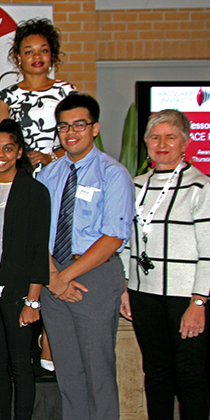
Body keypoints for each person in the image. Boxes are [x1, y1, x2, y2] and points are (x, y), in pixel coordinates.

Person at [37, 94, 134, 420]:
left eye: (79, 125)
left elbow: (113, 237)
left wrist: (63, 278)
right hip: (53, 276)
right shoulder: (48, 174)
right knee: (68, 373)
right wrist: (53, 277)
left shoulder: (113, 174)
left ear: (94, 128)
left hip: (94, 276)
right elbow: (36, 230)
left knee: (98, 373)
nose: (70, 132)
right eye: (63, 126)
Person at [120, 109, 210, 419]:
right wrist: (125, 288)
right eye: (155, 137)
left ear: (185, 142)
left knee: (190, 376)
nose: (162, 144)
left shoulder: (201, 186)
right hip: (144, 295)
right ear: (145, 142)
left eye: (170, 137)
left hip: (185, 298)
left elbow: (209, 251)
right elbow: (127, 241)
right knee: (155, 373)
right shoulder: (135, 185)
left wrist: (199, 302)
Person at [0, 119, 50, 420]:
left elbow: (38, 250)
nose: (0, 154)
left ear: (19, 152)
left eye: (8, 148)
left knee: (20, 362)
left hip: (18, 292)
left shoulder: (34, 191)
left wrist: (33, 301)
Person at [0, 18, 76, 171]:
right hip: (22, 175)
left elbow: (80, 139)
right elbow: (0, 145)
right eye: (29, 52)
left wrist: (50, 157)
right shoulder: (7, 97)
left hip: (61, 171)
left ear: (52, 54)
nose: (37, 56)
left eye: (43, 50)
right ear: (19, 57)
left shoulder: (66, 92)